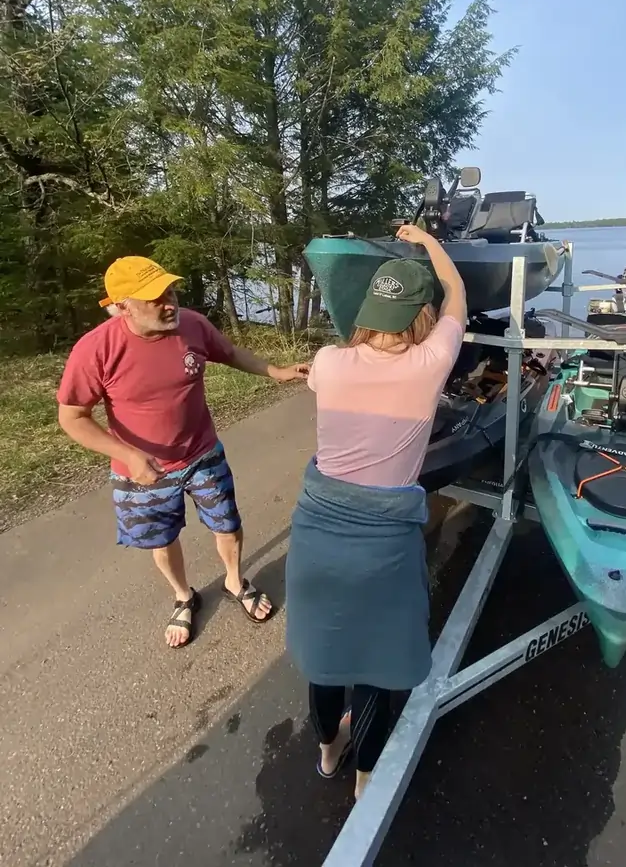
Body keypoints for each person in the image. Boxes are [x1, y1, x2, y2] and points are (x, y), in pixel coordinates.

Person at [285, 224, 468, 801]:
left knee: (325, 652)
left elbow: (332, 367)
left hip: (316, 528)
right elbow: (456, 293)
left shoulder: (328, 362)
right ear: (420, 318)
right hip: (380, 540)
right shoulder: (431, 361)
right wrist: (430, 242)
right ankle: (366, 775)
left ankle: (327, 750)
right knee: (373, 663)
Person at [57, 256, 309, 649]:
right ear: (121, 305)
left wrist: (274, 370)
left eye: (170, 291)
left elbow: (228, 352)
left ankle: (233, 580)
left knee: (227, 524)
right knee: (162, 539)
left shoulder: (191, 324)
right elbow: (72, 417)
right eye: (154, 298)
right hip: (141, 472)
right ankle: (182, 595)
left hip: (203, 454)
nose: (169, 302)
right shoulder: (95, 350)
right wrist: (127, 453)